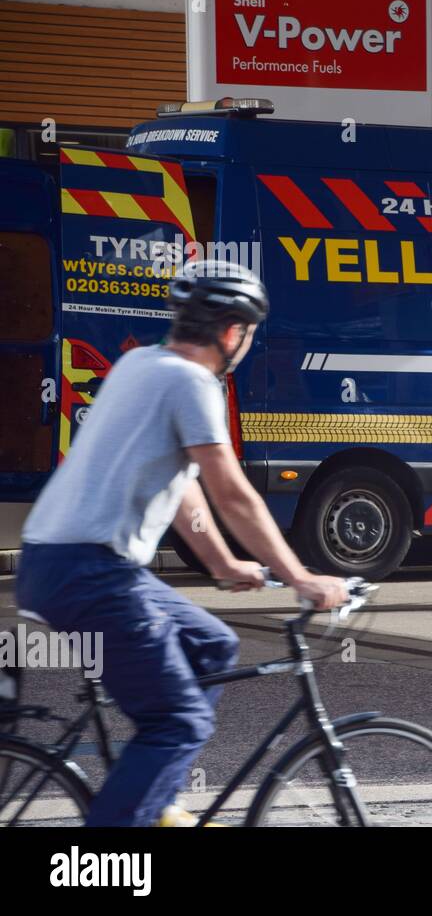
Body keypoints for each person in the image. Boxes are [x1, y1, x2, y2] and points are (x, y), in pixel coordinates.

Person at [16, 259, 349, 827]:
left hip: (65, 562)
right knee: (179, 721)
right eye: (249, 333)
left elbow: (186, 489)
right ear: (230, 332)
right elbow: (232, 492)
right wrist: (300, 575)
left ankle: (157, 798)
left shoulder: (140, 364)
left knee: (214, 647)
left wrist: (223, 563)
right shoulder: (193, 382)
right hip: (91, 572)